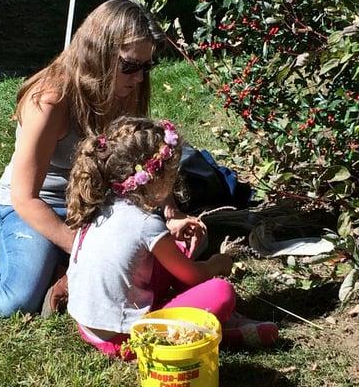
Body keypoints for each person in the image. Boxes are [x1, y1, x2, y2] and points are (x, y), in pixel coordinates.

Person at [0, 0, 186, 317]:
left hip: (96, 196)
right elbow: (24, 197)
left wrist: (169, 211)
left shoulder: (128, 86)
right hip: (39, 204)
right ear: (98, 54)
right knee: (15, 300)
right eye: (130, 66)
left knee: (155, 252)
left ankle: (63, 272)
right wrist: (86, 249)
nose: (138, 77)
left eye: (147, 66)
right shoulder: (50, 99)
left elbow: (138, 163)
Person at [66, 116, 278, 360]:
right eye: (173, 174)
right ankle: (227, 333)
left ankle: (212, 325)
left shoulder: (103, 202)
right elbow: (195, 275)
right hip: (127, 340)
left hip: (89, 327)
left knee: (175, 251)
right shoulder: (146, 223)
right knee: (221, 292)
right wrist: (220, 262)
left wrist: (178, 243)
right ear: (156, 177)